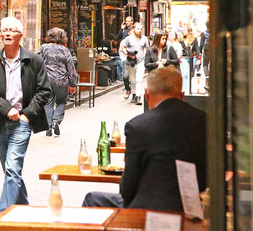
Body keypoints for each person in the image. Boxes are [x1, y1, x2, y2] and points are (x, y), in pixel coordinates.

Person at [82, 66, 207, 212]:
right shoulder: (204, 120)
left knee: (92, 198)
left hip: (148, 209)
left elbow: (128, 187)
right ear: (182, 95)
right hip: (191, 206)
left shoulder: (138, 126)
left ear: (147, 95)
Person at [0, 16, 51, 212]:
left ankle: (4, 215)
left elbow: (44, 91)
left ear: (20, 35)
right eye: (4, 30)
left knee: (12, 169)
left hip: (22, 123)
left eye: (11, 30)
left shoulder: (34, 61)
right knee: (10, 170)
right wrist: (6, 108)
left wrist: (26, 114)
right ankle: (24, 206)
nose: (7, 33)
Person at [37, 28, 78, 137]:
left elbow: (36, 63)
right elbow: (71, 69)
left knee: (48, 103)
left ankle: (49, 126)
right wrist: (73, 84)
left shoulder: (43, 48)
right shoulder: (65, 50)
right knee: (61, 101)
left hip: (46, 80)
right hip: (61, 80)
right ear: (62, 38)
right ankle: (56, 121)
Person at [120, 22, 149, 105]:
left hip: (141, 61)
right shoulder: (128, 39)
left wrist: (146, 60)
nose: (139, 30)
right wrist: (129, 55)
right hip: (131, 62)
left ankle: (138, 96)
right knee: (132, 81)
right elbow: (124, 49)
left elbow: (146, 50)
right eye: (137, 28)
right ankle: (133, 94)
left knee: (139, 80)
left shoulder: (144, 39)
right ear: (134, 29)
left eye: (141, 29)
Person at [118, 16, 134, 98]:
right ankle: (128, 88)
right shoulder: (125, 32)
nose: (127, 23)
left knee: (135, 77)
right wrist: (122, 29)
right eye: (126, 21)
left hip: (135, 59)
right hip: (126, 56)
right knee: (125, 75)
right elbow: (119, 38)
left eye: (128, 21)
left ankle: (134, 93)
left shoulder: (135, 31)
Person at [182, 28, 200, 94]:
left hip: (193, 57)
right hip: (184, 57)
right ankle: (184, 88)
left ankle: (190, 87)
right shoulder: (181, 39)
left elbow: (197, 49)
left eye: (184, 30)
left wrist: (198, 58)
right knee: (185, 74)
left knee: (192, 73)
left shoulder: (194, 39)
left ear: (189, 31)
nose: (183, 32)